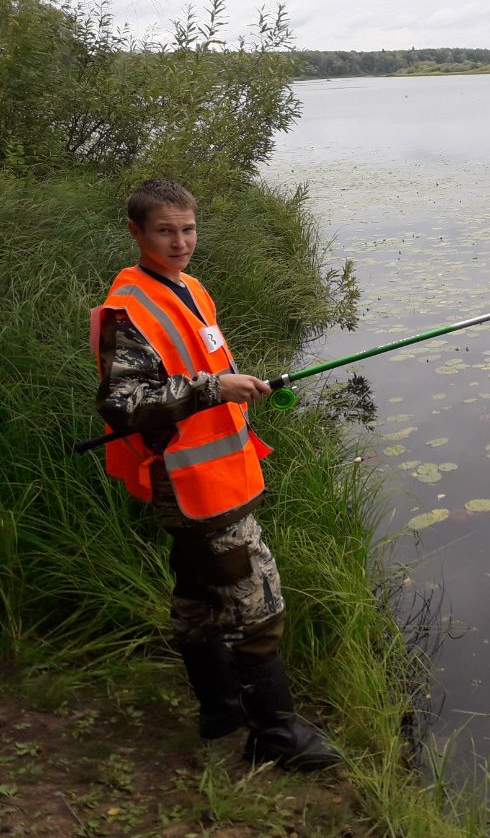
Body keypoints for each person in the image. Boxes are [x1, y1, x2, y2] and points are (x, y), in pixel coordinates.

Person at [93, 178, 340, 771]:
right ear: (136, 232)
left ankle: (221, 711)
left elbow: (197, 367)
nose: (180, 242)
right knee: (259, 604)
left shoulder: (191, 289)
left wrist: (228, 385)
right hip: (190, 485)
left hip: (220, 474)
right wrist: (213, 388)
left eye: (188, 229)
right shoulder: (127, 308)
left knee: (199, 598)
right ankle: (275, 736)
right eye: (165, 231)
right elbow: (123, 405)